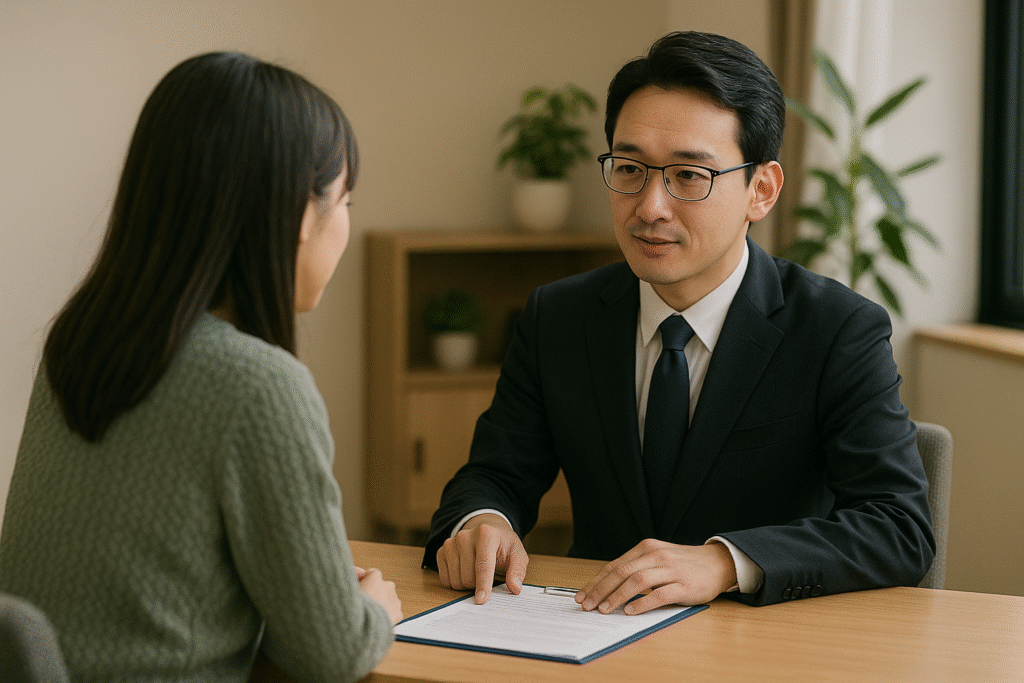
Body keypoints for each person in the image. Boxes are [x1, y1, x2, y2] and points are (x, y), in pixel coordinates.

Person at [424, 31, 934, 612]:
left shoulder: (837, 330)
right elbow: (495, 473)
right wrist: (483, 520)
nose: (650, 207)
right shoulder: (559, 317)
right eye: (630, 168)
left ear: (761, 190)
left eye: (689, 175)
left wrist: (725, 562)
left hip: (759, 639)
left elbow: (899, 527)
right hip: (593, 628)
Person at [0, 52, 401, 682]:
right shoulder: (258, 387)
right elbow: (331, 652)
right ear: (301, 216)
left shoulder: (75, 345)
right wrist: (372, 611)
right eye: (344, 199)